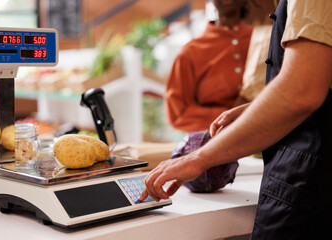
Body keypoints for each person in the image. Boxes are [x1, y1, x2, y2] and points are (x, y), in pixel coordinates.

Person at [140, 0, 332, 238]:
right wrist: (254, 110)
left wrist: (200, 158)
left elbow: (300, 91)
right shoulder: (190, 52)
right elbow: (314, 83)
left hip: (310, 182)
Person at [164, 0, 253, 132]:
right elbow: (177, 113)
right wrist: (228, 116)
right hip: (217, 141)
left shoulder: (264, 39)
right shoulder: (190, 53)